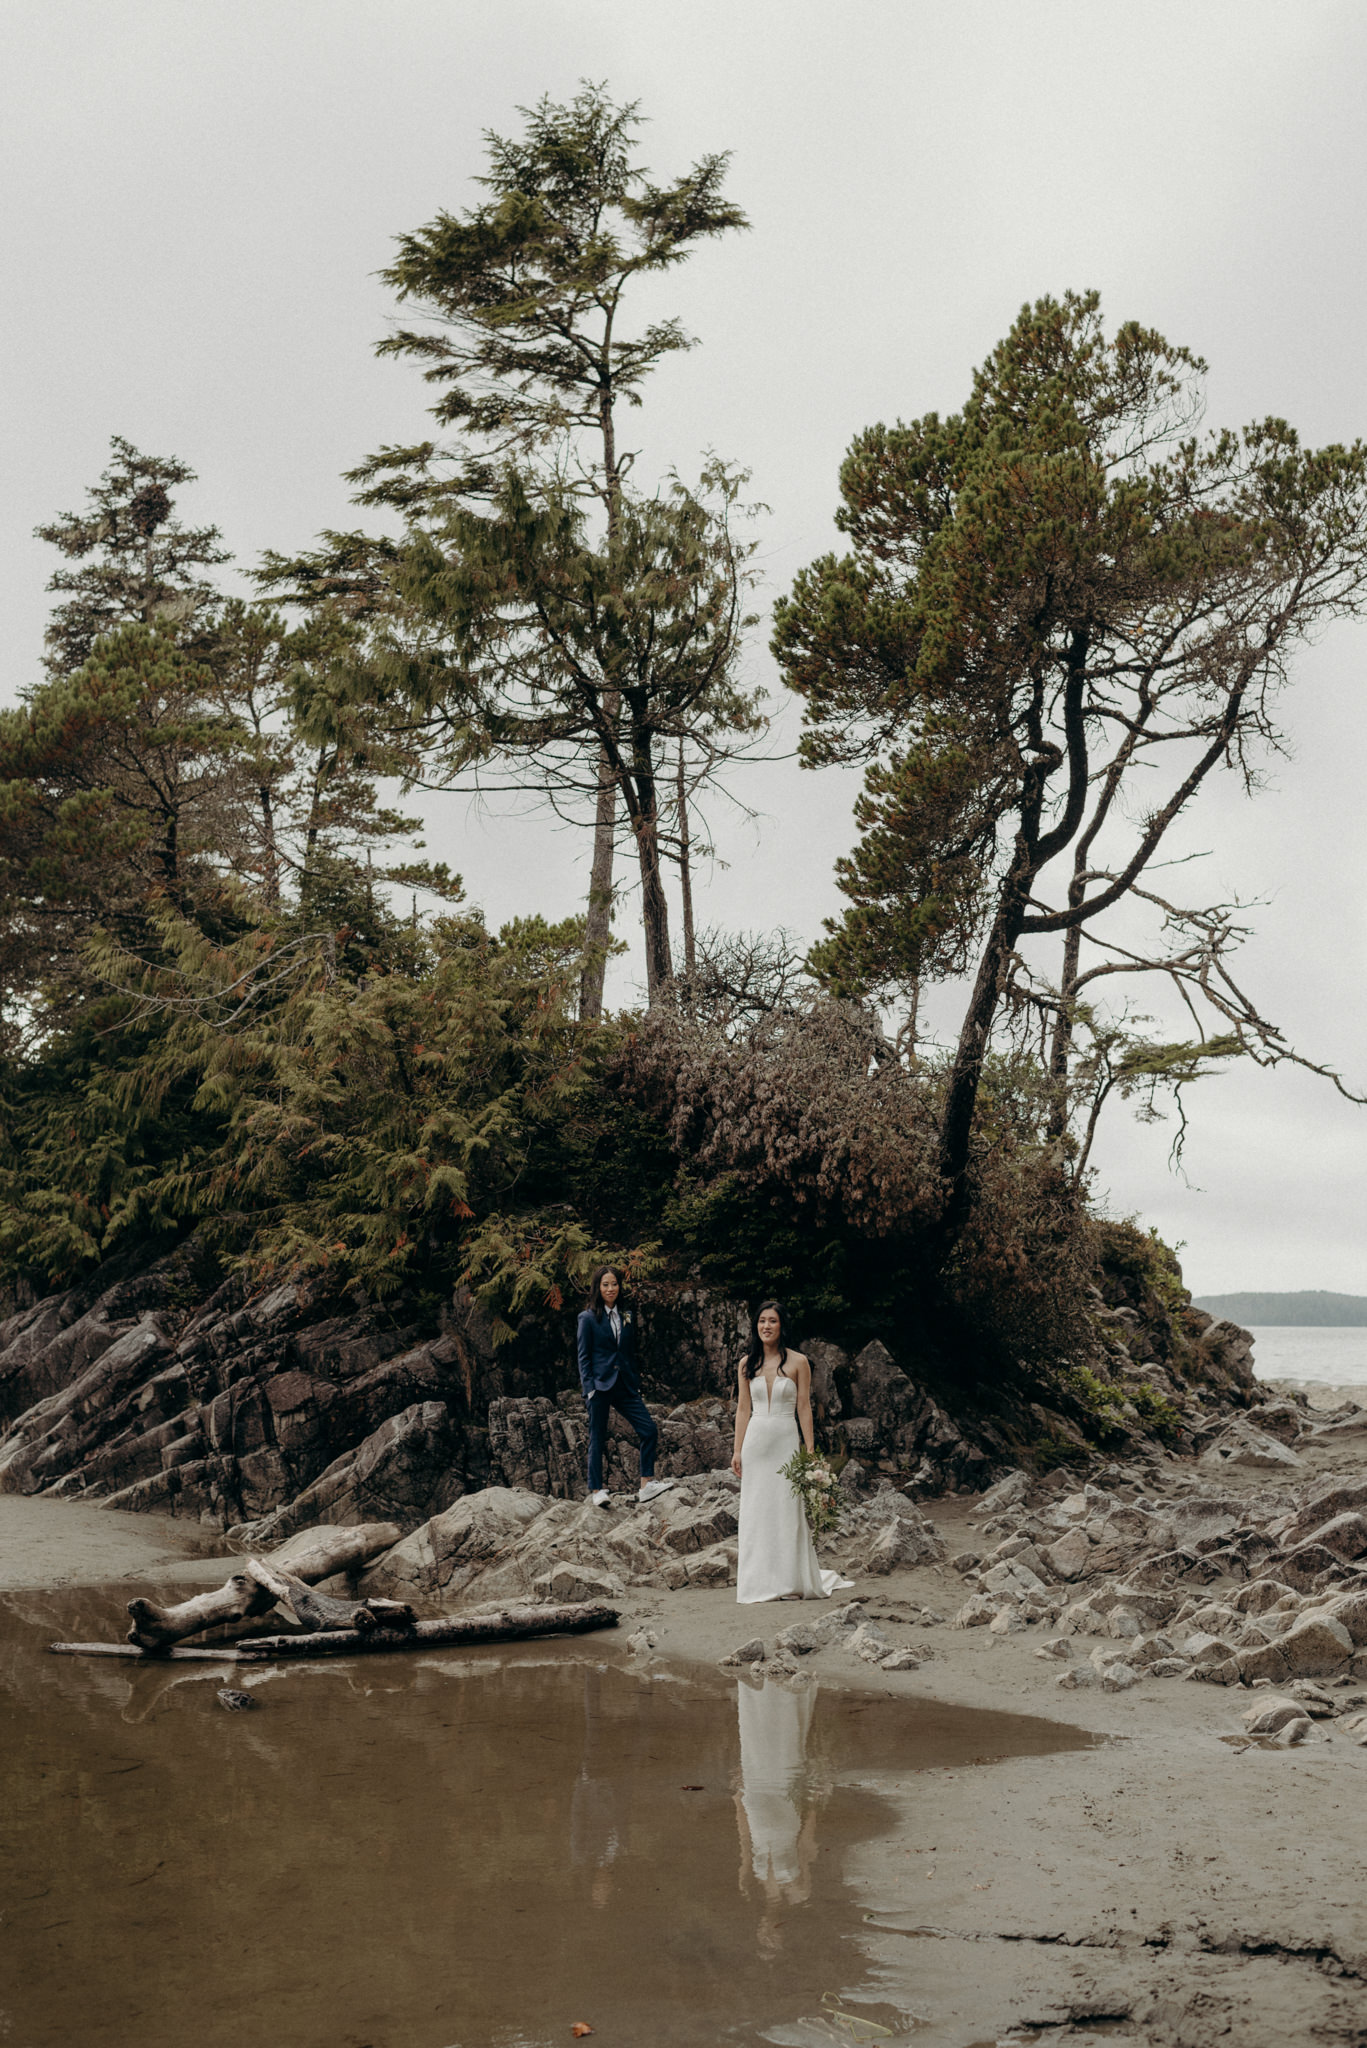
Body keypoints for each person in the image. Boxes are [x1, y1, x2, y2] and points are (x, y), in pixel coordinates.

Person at [732, 1299, 853, 1603]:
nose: (766, 1326)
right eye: (762, 1321)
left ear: (781, 1325)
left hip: (786, 1439)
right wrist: (737, 1450)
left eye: (772, 1321)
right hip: (756, 1443)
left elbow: (803, 1407)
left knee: (786, 1510)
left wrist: (810, 1451)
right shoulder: (747, 1364)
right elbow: (743, 1408)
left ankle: (788, 1581)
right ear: (756, 1325)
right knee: (757, 1511)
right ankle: (757, 1580)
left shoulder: (799, 1362)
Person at [576, 1265, 674, 1510]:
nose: (611, 1289)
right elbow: (583, 1356)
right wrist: (589, 1388)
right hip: (599, 1385)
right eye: (605, 1284)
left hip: (624, 1384)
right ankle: (597, 1490)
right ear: (598, 1288)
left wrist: (635, 1382)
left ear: (620, 1287)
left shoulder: (627, 1314)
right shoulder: (587, 1318)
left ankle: (646, 1485)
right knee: (597, 1437)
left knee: (649, 1429)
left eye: (614, 1284)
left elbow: (629, 1352)